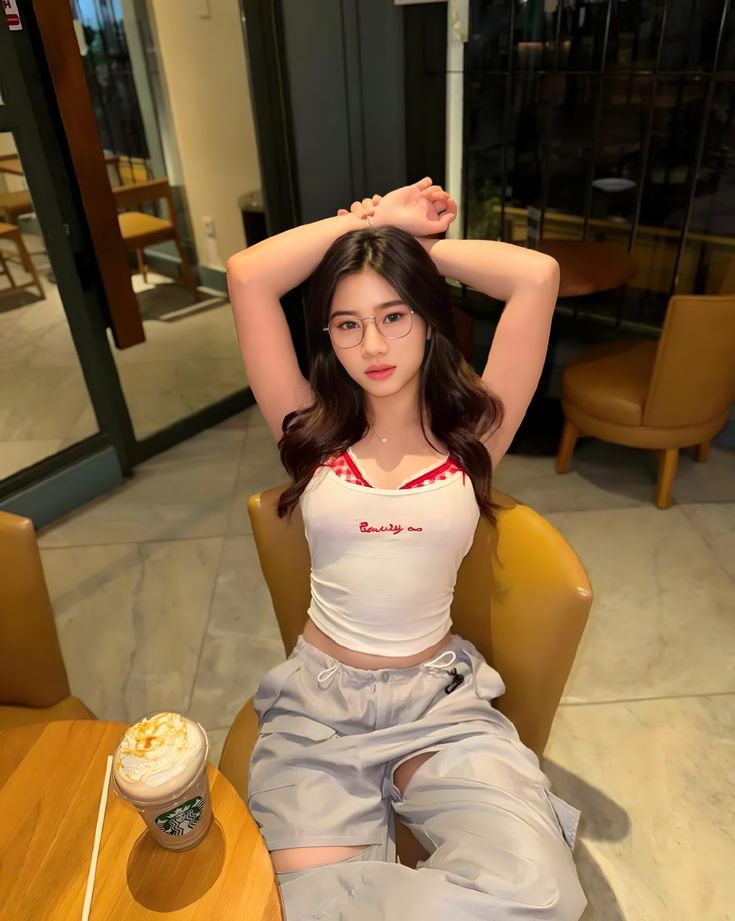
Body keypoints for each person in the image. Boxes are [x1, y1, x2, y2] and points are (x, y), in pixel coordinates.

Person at [226, 177, 586, 920]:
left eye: (394, 314)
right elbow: (248, 275)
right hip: (319, 709)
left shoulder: (475, 436)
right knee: (303, 905)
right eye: (348, 324)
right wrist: (369, 224)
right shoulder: (307, 427)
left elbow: (536, 277)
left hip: (439, 705)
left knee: (542, 895)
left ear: (426, 318)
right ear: (328, 337)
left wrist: (404, 250)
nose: (374, 345)